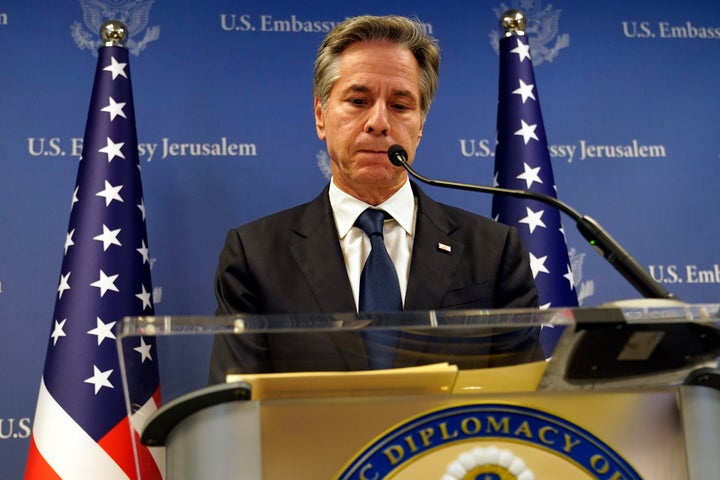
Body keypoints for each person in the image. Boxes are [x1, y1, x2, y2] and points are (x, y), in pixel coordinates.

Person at [209, 15, 540, 382]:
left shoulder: (493, 251)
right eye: (358, 100)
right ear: (321, 116)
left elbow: (523, 399)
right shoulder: (255, 256)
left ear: (420, 126)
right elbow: (235, 412)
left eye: (400, 106)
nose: (379, 122)